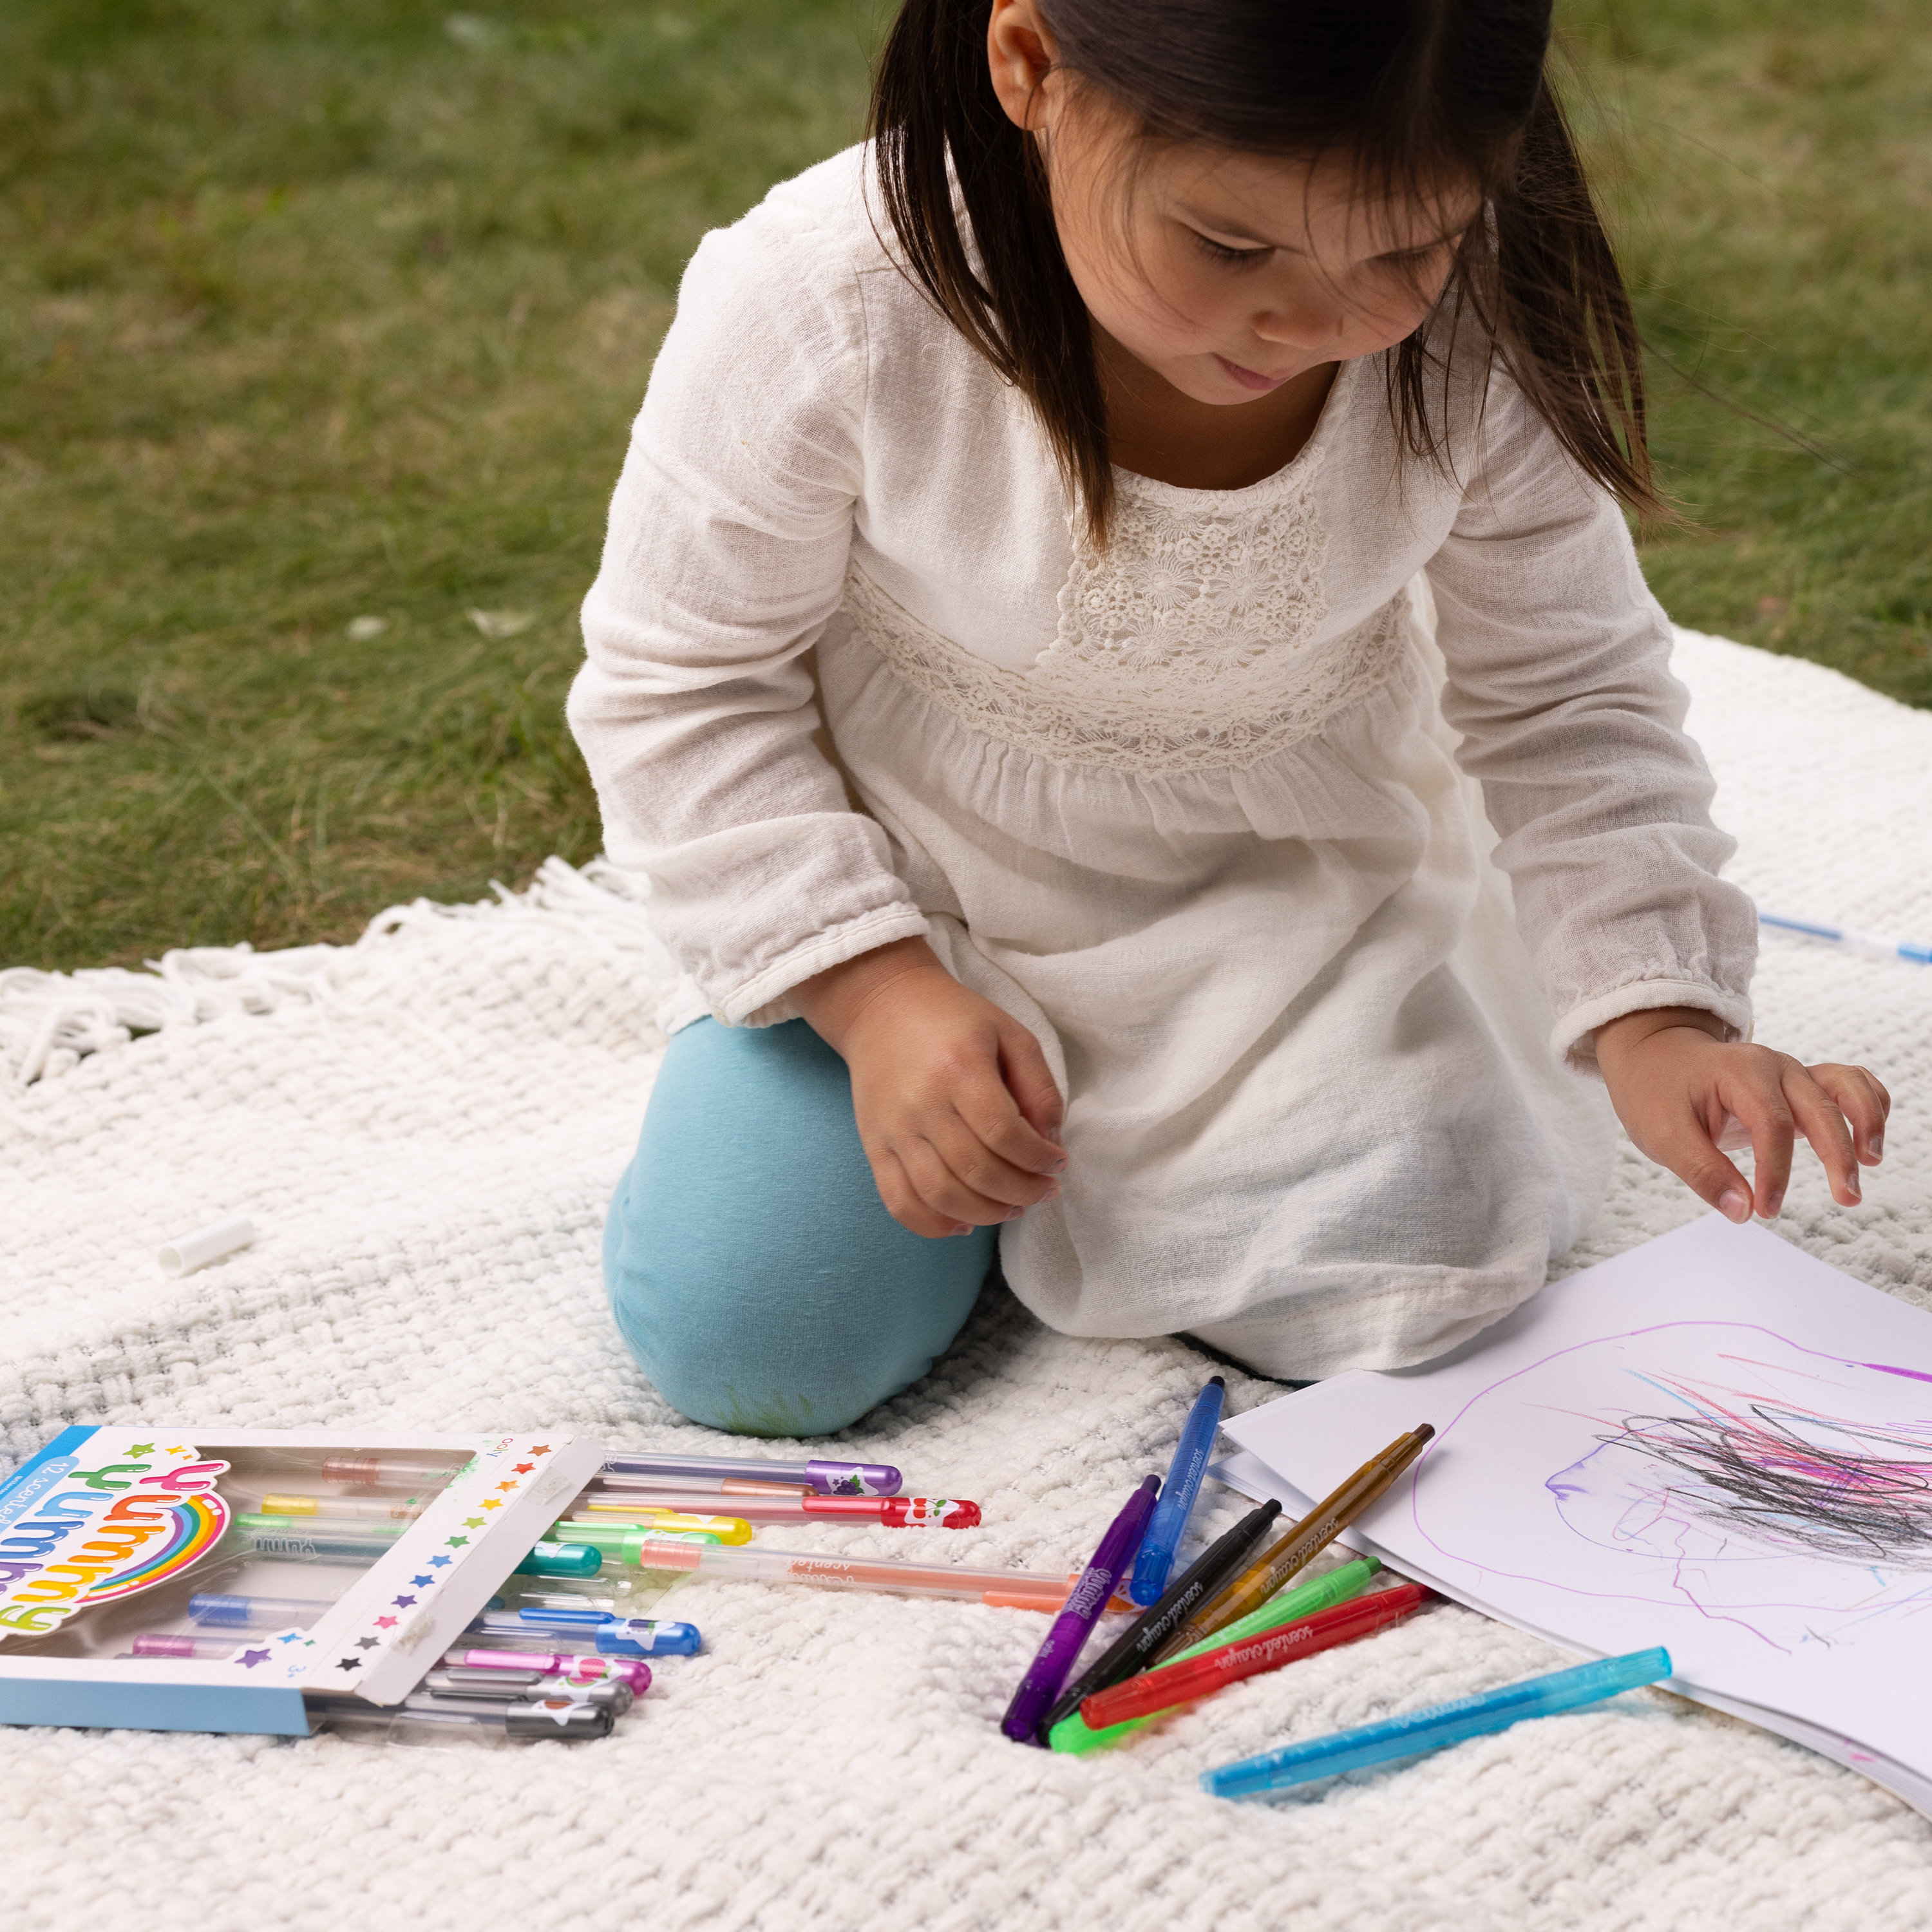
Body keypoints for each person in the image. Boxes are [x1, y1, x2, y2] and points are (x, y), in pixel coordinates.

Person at [569, 0, 1890, 1437]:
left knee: (1417, 1280)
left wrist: (1660, 1021)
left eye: (1403, 247)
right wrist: (873, 993)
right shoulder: (827, 303)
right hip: (903, 887)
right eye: (1231, 246)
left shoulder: (1467, 323)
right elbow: (682, 685)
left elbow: (1564, 697)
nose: (1315, 322)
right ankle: (883, 1117)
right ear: (1031, 70)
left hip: (1283, 899)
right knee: (768, 1334)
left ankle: (1135, 1185)